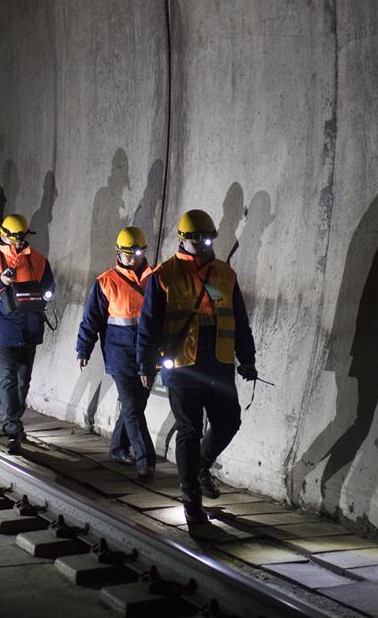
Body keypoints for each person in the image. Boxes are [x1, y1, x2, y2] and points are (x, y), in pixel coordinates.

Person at [137, 209, 257, 524]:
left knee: (228, 422)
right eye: (196, 238)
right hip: (182, 364)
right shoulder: (164, 274)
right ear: (182, 239)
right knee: (188, 430)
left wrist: (248, 358)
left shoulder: (224, 274)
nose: (202, 244)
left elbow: (238, 320)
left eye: (207, 238)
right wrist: (145, 364)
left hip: (218, 361)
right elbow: (148, 325)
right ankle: (191, 498)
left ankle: (201, 466)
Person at [0, 213, 55, 454]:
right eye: (14, 238)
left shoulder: (37, 259)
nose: (18, 243)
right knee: (7, 376)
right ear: (3, 236)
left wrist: (43, 299)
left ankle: (14, 420)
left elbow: (49, 286)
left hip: (30, 326)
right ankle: (13, 427)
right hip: (2, 327)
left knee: (23, 378)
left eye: (21, 238)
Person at [76, 227, 157, 477]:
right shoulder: (106, 282)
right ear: (118, 254)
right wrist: (84, 348)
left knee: (137, 405)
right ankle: (146, 460)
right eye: (126, 255)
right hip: (119, 354)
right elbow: (92, 319)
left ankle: (118, 447)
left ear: (144, 251)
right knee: (132, 405)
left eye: (136, 253)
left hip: (148, 355)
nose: (131, 259)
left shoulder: (156, 278)